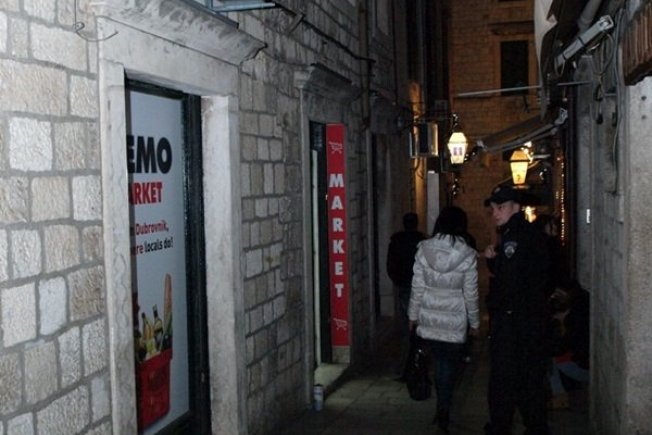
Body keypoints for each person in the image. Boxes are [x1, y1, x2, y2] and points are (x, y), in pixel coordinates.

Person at [483, 186, 551, 435]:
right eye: (493, 208)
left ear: (516, 207)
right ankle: (533, 425)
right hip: (526, 319)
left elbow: (511, 281)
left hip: (515, 321)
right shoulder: (522, 232)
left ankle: (505, 426)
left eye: (501, 207)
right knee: (527, 376)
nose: (495, 213)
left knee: (508, 378)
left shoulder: (515, 236)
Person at [408, 206, 479, 432]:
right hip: (454, 319)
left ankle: (441, 407)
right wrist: (475, 322)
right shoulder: (467, 254)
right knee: (448, 366)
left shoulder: (424, 249)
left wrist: (413, 315)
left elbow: (417, 286)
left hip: (429, 316)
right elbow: (471, 293)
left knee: (439, 363)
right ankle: (444, 409)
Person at [386, 212, 427, 378]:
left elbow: (390, 265)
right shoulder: (422, 242)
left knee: (406, 327)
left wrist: (398, 280)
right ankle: (416, 362)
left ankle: (406, 365)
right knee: (417, 325)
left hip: (404, 285)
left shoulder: (396, 241)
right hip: (418, 286)